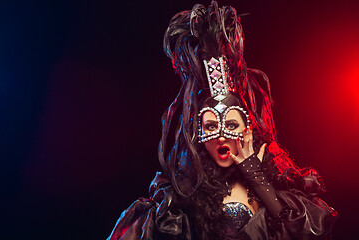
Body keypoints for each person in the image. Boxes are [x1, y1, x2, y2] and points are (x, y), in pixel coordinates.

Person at [107, 2, 338, 239]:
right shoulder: (181, 195)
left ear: (248, 131)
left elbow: (302, 233)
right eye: (210, 126)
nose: (221, 135)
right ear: (198, 135)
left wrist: (256, 176)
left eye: (231, 125)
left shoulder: (276, 185)